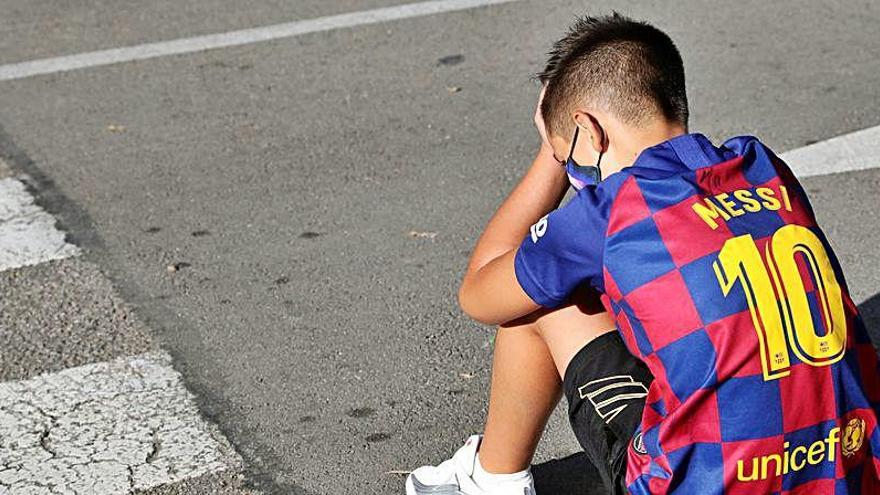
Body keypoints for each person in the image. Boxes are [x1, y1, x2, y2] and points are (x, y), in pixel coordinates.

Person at [406, 13, 880, 495]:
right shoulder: (763, 168)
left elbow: (480, 293)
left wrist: (552, 155)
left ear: (588, 132)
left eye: (569, 155)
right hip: (848, 471)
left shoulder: (610, 211)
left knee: (541, 294)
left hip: (705, 485)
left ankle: (492, 479)